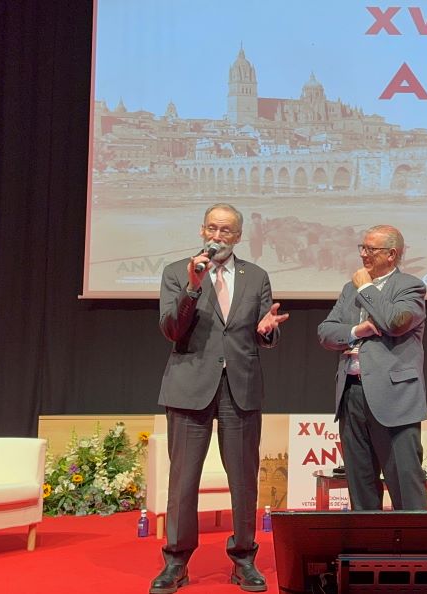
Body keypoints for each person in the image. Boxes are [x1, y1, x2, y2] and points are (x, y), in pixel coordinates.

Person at [150, 203, 289, 594]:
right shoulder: (177, 272)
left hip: (240, 387)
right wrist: (193, 286)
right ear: (202, 230)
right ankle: (176, 562)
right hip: (189, 386)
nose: (218, 236)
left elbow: (266, 332)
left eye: (226, 230)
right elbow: (171, 330)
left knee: (243, 480)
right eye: (212, 228)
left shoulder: (256, 276)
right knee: (183, 481)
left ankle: (244, 559)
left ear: (238, 236)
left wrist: (267, 330)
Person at [317, 225, 427, 511]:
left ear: (391, 254)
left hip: (395, 396)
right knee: (360, 482)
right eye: (362, 248)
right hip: (351, 393)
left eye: (371, 249)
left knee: (404, 482)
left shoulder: (410, 286)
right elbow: (326, 332)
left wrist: (366, 288)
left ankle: (414, 539)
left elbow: (396, 321)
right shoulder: (349, 289)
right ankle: (367, 539)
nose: (364, 254)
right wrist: (357, 330)